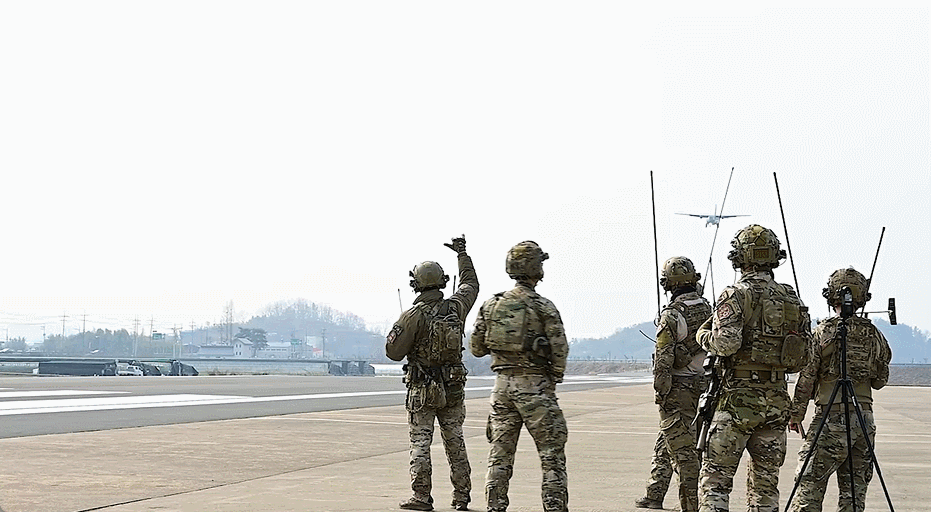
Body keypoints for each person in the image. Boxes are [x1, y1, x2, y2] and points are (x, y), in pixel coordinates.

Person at [695, 224, 812, 512]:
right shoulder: (791, 298)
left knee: (715, 482)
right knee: (765, 486)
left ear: (739, 258)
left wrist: (702, 336)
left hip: (737, 401)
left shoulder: (736, 294)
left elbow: (726, 344)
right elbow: (804, 356)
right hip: (776, 403)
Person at [470, 241, 569, 512]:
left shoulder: (491, 304)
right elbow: (559, 348)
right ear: (536, 268)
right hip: (535, 386)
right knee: (551, 454)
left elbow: (476, 348)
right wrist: (553, 377)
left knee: (499, 454)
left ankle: (495, 506)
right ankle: (554, 507)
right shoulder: (543, 306)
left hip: (502, 387)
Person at [386, 235, 479, 511]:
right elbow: (470, 284)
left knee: (420, 442)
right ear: (442, 281)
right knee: (455, 441)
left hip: (422, 390)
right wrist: (462, 254)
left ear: (416, 284)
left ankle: (421, 497)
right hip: (452, 388)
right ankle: (461, 497)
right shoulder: (456, 307)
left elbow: (393, 352)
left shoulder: (413, 315)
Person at [787, 267, 892, 512]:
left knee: (809, 487)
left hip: (830, 417)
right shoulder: (874, 334)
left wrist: (796, 415)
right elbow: (880, 380)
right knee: (854, 496)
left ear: (831, 296)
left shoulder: (823, 332)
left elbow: (807, 376)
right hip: (864, 420)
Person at [637, 257, 712, 511]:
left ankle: (691, 506)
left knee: (684, 455)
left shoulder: (671, 315)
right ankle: (654, 492)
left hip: (679, 390)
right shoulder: (709, 309)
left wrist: (661, 393)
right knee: (669, 439)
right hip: (705, 388)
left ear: (668, 283)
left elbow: (663, 360)